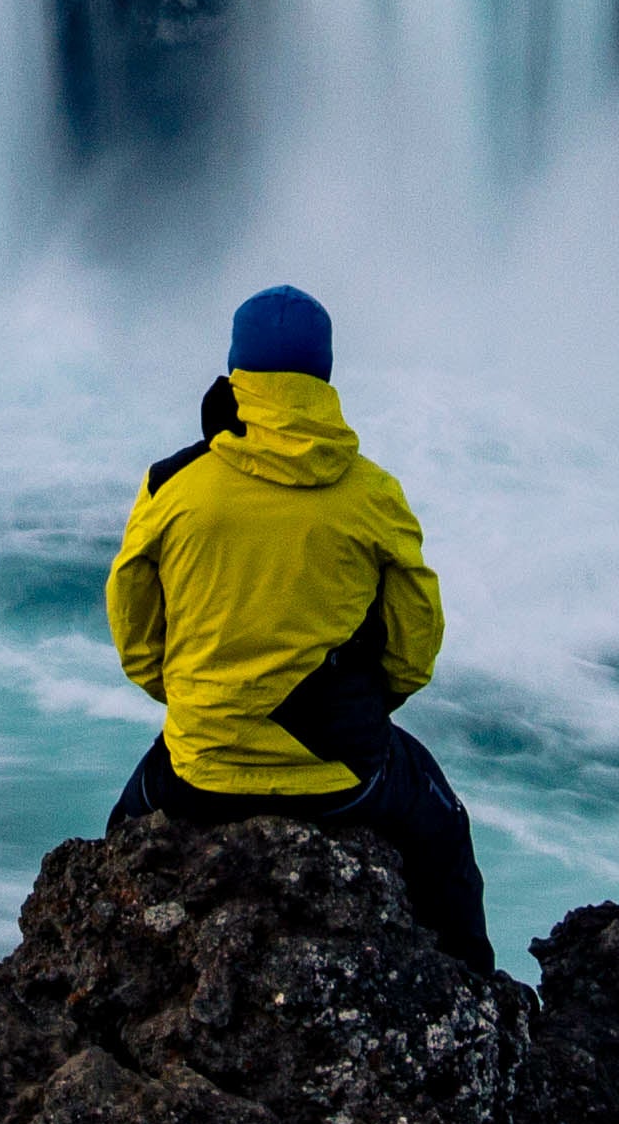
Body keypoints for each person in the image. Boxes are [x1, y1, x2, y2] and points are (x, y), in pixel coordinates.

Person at [101, 284, 494, 974]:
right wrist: (372, 703)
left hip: (202, 769)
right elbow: (416, 641)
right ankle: (470, 983)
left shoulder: (172, 484)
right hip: (343, 777)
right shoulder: (372, 494)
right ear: (326, 375)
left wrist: (195, 694)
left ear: (235, 372)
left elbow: (133, 624)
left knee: (119, 843)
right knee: (441, 827)